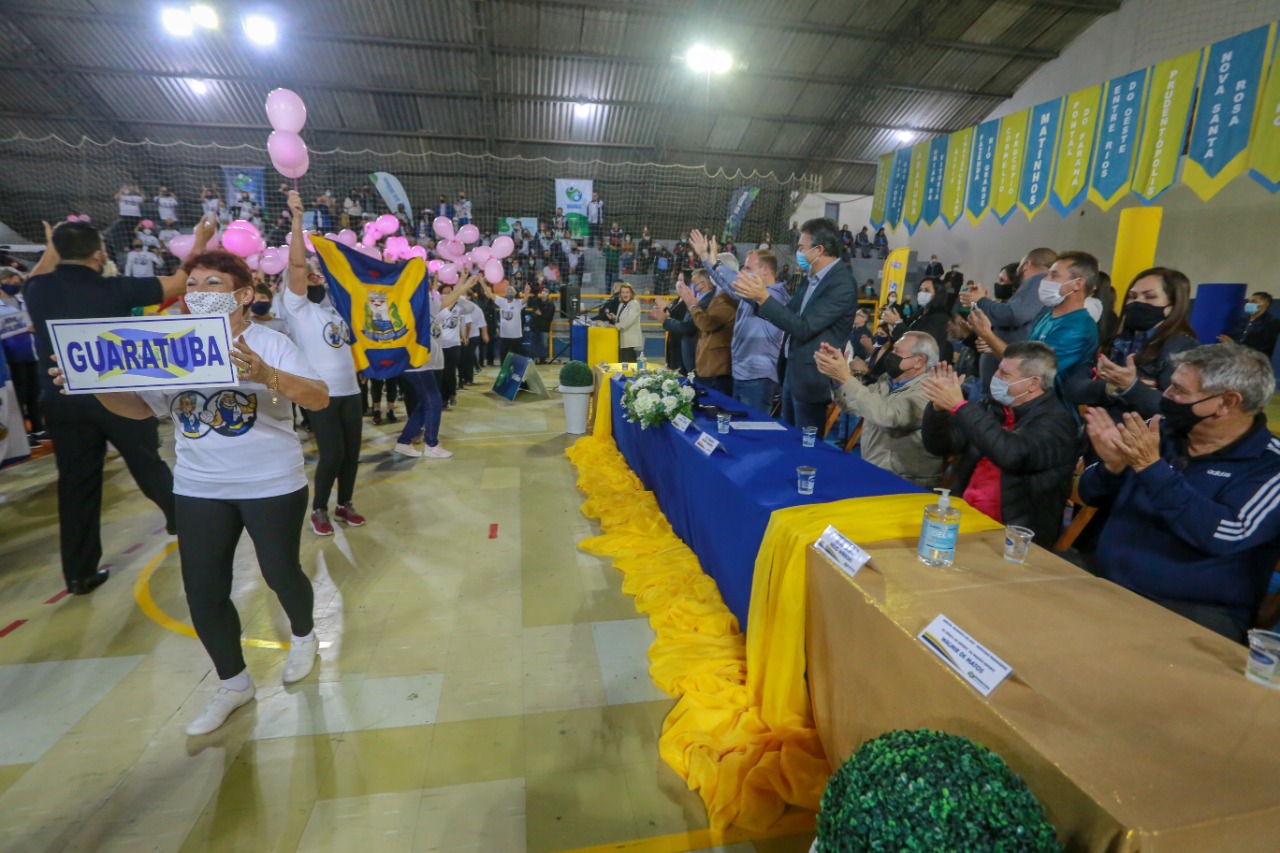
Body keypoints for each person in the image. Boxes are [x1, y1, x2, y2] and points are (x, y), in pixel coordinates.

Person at [50, 247, 329, 734]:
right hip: (200, 486)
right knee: (203, 591)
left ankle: (304, 636)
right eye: (193, 285)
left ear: (243, 296)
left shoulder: (271, 341)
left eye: (212, 285)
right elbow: (141, 410)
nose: (197, 293)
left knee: (280, 571)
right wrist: (92, 383)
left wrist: (266, 376)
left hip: (271, 483)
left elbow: (319, 397)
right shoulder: (171, 347)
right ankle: (234, 682)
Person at [26, 217, 215, 593]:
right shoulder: (114, 287)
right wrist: (200, 240)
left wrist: (52, 243)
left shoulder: (36, 289)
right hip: (117, 396)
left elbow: (43, 270)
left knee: (76, 485)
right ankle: (185, 524)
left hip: (61, 400)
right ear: (99, 253)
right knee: (148, 464)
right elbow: (179, 282)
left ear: (58, 252)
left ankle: (79, 575)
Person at [1080, 344, 1280, 642]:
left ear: (1226, 402)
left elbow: (1225, 534)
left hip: (1195, 611)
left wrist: (1151, 468)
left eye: (1178, 390)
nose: (1166, 397)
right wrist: (1112, 468)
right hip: (1105, 581)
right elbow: (1089, 494)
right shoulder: (1159, 432)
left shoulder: (1269, 466)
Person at [920, 343, 1079, 546]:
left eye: (1004, 374)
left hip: (1011, 535)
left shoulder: (1058, 423)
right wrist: (939, 409)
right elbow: (941, 447)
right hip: (962, 514)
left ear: (1033, 383)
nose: (995, 376)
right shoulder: (991, 408)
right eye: (998, 369)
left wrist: (960, 407)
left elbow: (1012, 454)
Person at [279, 194, 368, 535]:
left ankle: (344, 504)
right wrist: (298, 221)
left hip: (351, 391)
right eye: (310, 276)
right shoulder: (297, 308)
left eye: (318, 276)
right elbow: (299, 267)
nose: (314, 277)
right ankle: (319, 509)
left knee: (351, 455)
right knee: (331, 454)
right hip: (322, 393)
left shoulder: (334, 310)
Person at [732, 217, 856, 429]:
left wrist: (763, 297)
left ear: (818, 250)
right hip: (792, 373)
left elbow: (804, 327)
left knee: (805, 450)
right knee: (790, 442)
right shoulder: (811, 278)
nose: (797, 252)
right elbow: (788, 314)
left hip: (811, 379)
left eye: (801, 247)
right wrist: (756, 299)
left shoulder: (841, 284)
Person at [1066, 268, 1198, 422]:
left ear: (1172, 307)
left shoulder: (1182, 347)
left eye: (1150, 297)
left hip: (1138, 439)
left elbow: (1174, 407)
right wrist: (1109, 388)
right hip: (1096, 435)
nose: (1138, 302)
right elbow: (1073, 388)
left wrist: (1131, 387)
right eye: (1132, 296)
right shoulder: (1116, 343)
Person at [816, 332, 944, 487]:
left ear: (919, 361)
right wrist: (836, 376)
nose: (891, 355)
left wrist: (846, 378)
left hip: (905, 481)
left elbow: (890, 418)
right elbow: (853, 406)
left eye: (897, 351)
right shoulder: (888, 380)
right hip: (874, 469)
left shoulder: (931, 390)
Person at [969, 251, 1100, 396]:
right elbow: (1026, 353)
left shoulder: (1078, 327)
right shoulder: (1048, 316)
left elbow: (1028, 368)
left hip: (1049, 411)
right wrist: (992, 345)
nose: (1045, 280)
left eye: (1054, 275)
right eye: (1048, 274)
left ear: (1077, 284)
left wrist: (988, 335)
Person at [688, 230, 788, 413]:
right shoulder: (749, 295)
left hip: (759, 378)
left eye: (748, 269)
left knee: (753, 433)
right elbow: (727, 284)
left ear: (765, 271)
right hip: (742, 374)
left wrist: (712, 261)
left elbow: (732, 281)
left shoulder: (774, 296)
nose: (742, 272)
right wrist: (704, 258)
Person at [959, 248, 1057, 396]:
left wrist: (980, 300)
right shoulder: (1038, 290)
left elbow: (1014, 315)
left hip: (1008, 385)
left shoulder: (1039, 279)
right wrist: (979, 304)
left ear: (1026, 265)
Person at [394, 275, 466, 459]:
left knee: (425, 403)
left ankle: (404, 441)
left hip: (423, 363)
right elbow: (445, 301)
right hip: (416, 363)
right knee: (433, 400)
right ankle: (432, 444)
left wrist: (464, 285)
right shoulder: (416, 302)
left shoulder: (422, 303)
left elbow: (444, 302)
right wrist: (464, 286)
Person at [652, 268, 735, 395]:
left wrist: (665, 320)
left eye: (692, 281)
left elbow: (690, 327)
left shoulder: (707, 300)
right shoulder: (698, 299)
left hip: (704, 362)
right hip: (691, 358)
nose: (688, 285)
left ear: (702, 284)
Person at [0, 267, 42, 444]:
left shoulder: (22, 300)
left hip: (31, 352)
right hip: (13, 355)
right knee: (20, 395)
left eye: (17, 283)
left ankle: (38, 428)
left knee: (35, 392)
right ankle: (24, 433)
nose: (14, 285)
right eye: (10, 282)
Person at [1221, 292, 1280, 357]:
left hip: (1255, 360)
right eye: (1249, 301)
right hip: (1234, 356)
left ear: (1265, 304)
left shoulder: (1272, 323)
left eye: (1253, 302)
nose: (1249, 304)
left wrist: (1234, 345)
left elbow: (1262, 346)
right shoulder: (1241, 321)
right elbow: (1231, 335)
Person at [613, 282, 642, 363]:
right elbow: (622, 318)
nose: (625, 294)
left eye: (627, 292)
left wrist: (616, 326)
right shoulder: (621, 304)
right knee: (625, 361)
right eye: (623, 292)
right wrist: (614, 317)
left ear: (631, 293)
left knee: (628, 362)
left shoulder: (634, 304)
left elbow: (629, 320)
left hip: (629, 339)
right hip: (623, 339)